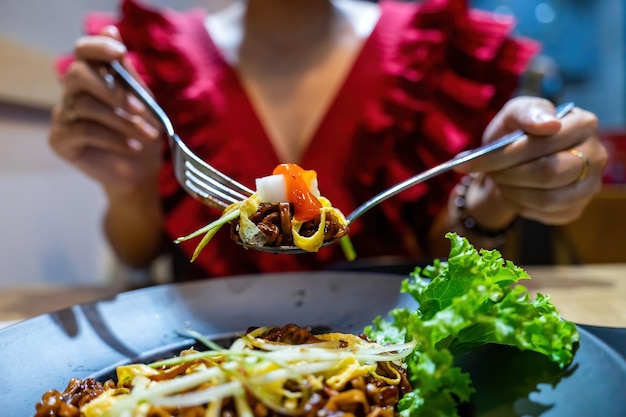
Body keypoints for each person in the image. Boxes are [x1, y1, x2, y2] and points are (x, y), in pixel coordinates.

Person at [49, 0, 606, 282]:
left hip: (392, 375)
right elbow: (139, 251)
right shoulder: (158, 59)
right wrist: (128, 190)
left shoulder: (435, 48)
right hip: (205, 366)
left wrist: (496, 197)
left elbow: (449, 255)